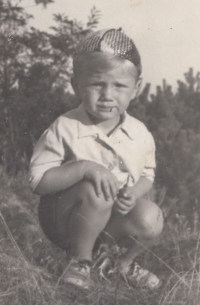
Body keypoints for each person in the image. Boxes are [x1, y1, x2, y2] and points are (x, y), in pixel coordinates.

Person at [29, 28, 163, 290]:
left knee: (152, 216)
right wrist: (84, 168)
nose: (107, 95)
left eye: (120, 86)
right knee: (97, 188)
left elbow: (148, 174)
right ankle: (80, 262)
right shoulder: (65, 127)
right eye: (97, 83)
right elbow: (38, 182)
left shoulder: (139, 132)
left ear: (136, 88)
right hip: (65, 221)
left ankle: (119, 264)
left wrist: (134, 193)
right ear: (76, 85)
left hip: (110, 223)